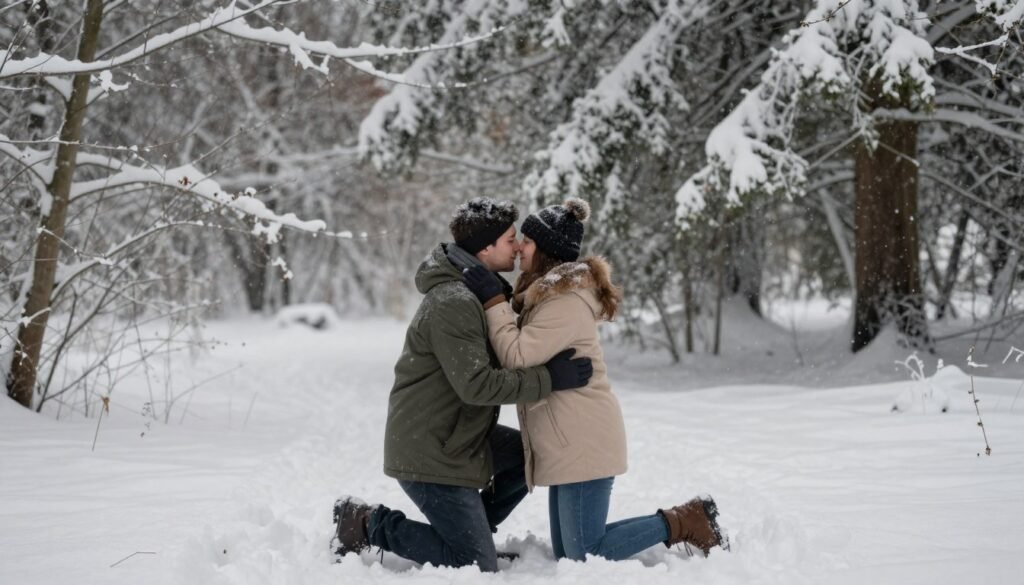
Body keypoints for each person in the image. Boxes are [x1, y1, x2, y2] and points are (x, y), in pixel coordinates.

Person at [332, 197, 595, 573]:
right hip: (431, 448)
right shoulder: (453, 301)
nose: (518, 246)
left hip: (459, 434)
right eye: (510, 239)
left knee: (529, 455)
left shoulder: (475, 290)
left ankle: (470, 530)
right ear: (485, 248)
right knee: (473, 564)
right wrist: (550, 379)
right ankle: (365, 523)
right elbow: (477, 385)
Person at [461, 197, 728, 562]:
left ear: (546, 250)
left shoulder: (565, 301)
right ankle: (683, 520)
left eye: (527, 239)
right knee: (572, 550)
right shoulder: (549, 297)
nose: (520, 246)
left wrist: (493, 303)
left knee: (585, 552)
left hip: (582, 437)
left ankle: (685, 521)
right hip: (568, 439)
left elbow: (517, 357)